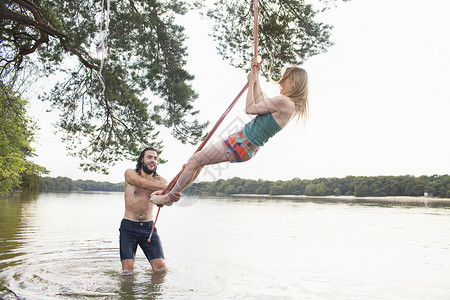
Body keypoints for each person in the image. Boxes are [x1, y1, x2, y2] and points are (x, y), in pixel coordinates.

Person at [150, 57, 309, 206]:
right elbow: (259, 100)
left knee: (194, 162)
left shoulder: (285, 102)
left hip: (242, 143)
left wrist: (251, 81)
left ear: (292, 83)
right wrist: (255, 76)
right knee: (197, 162)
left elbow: (250, 108)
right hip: (244, 144)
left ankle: (169, 197)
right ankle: (171, 193)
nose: (281, 84)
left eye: (284, 80)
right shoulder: (290, 106)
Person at [119, 147, 180, 274]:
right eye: (149, 157)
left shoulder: (162, 180)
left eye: (155, 158)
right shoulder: (130, 173)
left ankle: (155, 294)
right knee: (127, 271)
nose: (153, 160)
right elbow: (141, 183)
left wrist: (172, 197)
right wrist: (168, 188)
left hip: (149, 228)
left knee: (161, 269)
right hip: (129, 226)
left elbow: (167, 202)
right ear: (142, 160)